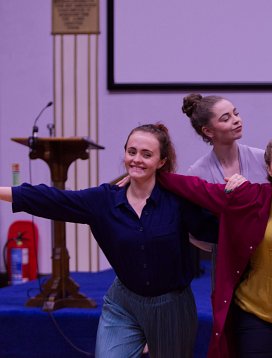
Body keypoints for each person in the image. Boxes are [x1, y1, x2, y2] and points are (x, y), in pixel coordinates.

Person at [0, 124, 219, 358]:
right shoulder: (103, 201)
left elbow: (216, 229)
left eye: (147, 154)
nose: (137, 159)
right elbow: (52, 199)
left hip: (172, 306)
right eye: (131, 152)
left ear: (161, 161)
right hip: (123, 303)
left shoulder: (178, 200)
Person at [156, 136, 272, 358]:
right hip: (256, 317)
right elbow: (197, 188)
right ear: (268, 168)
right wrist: (152, 175)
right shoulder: (250, 197)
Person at [181, 94, 268, 288]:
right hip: (227, 261)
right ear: (208, 131)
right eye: (225, 118)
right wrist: (223, 243)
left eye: (236, 113)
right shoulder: (197, 172)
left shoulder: (264, 158)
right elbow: (195, 230)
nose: (236, 120)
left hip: (269, 255)